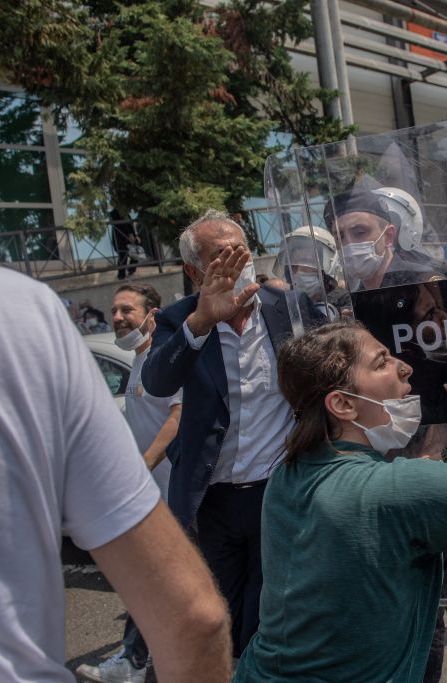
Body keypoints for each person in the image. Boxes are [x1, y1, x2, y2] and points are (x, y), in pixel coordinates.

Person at [0, 35, 231, 683]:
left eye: (238, 251)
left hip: (217, 497)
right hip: (157, 502)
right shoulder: (22, 317)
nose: (232, 266)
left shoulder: (280, 314)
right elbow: (190, 611)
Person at [234, 277, 447, 681]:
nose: (404, 366)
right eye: (382, 362)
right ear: (341, 404)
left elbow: (393, 494)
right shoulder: (390, 491)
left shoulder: (290, 472)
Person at [141, 210, 325, 659]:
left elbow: (337, 366)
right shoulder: (178, 319)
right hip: (214, 498)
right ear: (193, 270)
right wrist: (201, 323)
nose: (234, 263)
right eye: (219, 256)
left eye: (240, 252)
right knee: (219, 614)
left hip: (277, 491)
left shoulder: (290, 308)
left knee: (270, 614)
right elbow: (157, 382)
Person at [77, 283, 184, 683]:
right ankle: (142, 658)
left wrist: (142, 467)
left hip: (173, 495)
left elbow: (177, 417)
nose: (118, 318)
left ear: (152, 315)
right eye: (114, 311)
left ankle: (135, 661)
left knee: (153, 580)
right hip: (153, 495)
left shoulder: (162, 358)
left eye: (127, 310)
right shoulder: (140, 360)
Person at [324, 187, 447, 291]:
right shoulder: (355, 298)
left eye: (360, 232)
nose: (348, 243)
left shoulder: (422, 282)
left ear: (388, 236)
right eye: (339, 236)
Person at [272, 224, 351, 317]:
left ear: (328, 266)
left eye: (308, 262)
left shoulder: (342, 299)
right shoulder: (283, 304)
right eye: (295, 265)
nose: (301, 269)